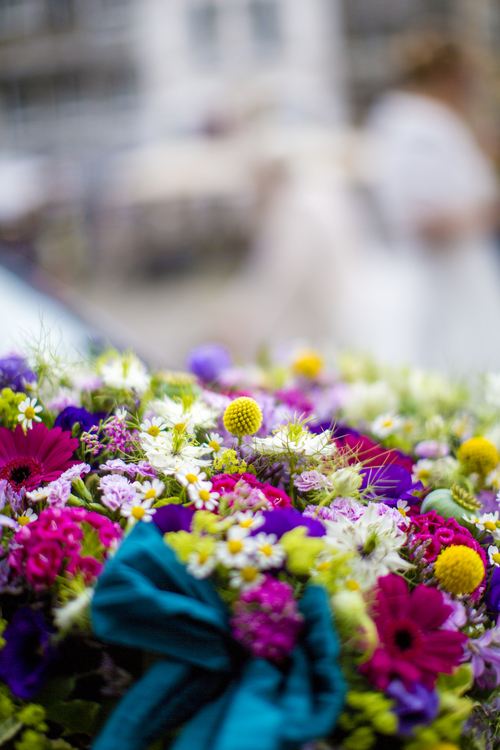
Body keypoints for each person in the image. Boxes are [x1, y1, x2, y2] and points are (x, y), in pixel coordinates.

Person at [363, 31, 500, 374]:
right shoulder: (420, 129)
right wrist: (488, 212)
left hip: (460, 277)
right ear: (449, 77)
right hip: (441, 287)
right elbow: (424, 218)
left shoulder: (421, 125)